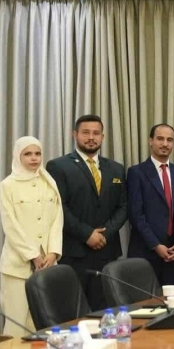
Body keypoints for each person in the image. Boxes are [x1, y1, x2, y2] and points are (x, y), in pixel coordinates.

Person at [46, 115, 128, 310]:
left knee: (106, 312)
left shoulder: (116, 168)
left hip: (107, 252)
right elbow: (59, 207)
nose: (91, 137)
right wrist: (87, 234)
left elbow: (124, 206)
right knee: (73, 311)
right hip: (74, 253)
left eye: (96, 133)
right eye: (86, 133)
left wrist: (104, 234)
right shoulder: (58, 166)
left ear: (102, 137)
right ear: (75, 135)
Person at [0, 136, 63, 336]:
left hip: (47, 264)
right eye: (27, 154)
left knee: (44, 323)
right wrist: (33, 255)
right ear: (18, 156)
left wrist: (53, 252)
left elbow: (57, 219)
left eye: (37, 153)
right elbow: (11, 226)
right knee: (17, 324)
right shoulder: (7, 185)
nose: (34, 158)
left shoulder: (49, 182)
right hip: (17, 266)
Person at [126, 124, 174, 286]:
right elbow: (136, 215)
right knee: (144, 299)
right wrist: (156, 245)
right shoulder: (137, 172)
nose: (165, 144)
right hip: (146, 251)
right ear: (151, 141)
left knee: (170, 298)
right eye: (160, 139)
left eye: (169, 140)